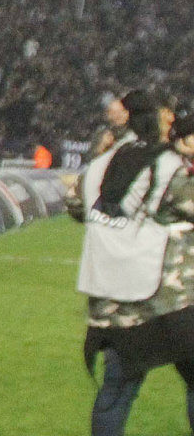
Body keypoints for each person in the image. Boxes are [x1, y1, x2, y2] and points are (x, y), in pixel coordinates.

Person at [79, 99, 194, 435]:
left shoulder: (103, 163)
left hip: (114, 299)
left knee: (117, 388)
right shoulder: (169, 167)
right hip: (167, 300)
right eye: (167, 119)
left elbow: (76, 203)